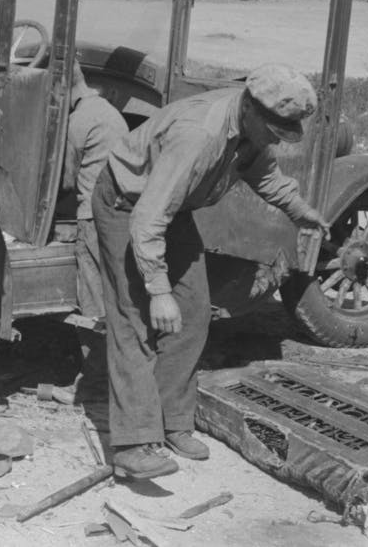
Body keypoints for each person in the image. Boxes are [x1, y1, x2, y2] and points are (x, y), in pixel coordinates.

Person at [91, 63, 328, 480]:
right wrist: (159, 289)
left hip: (171, 208)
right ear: (252, 108)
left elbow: (264, 174)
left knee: (195, 311)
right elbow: (147, 219)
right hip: (127, 204)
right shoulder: (199, 136)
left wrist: (301, 211)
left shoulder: (251, 129)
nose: (276, 139)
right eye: (274, 131)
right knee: (135, 318)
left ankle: (170, 421)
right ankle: (131, 444)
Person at [62, 61, 128, 393]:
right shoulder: (109, 112)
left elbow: (65, 181)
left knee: (92, 303)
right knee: (116, 297)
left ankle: (93, 383)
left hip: (91, 217)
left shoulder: (77, 122)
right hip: (120, 215)